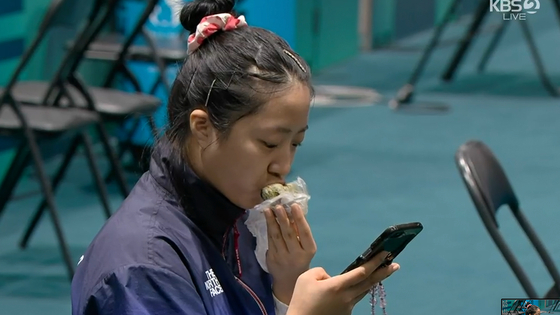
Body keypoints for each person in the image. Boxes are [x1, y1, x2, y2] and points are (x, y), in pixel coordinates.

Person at [71, 0, 400, 314]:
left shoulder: (235, 210)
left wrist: (287, 284)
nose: (283, 166)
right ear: (203, 127)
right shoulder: (145, 269)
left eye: (296, 144)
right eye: (269, 144)